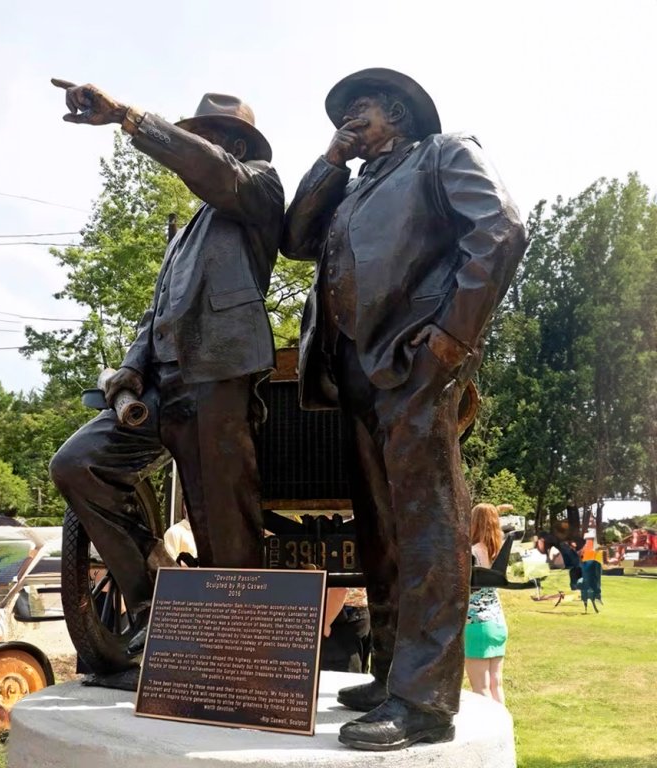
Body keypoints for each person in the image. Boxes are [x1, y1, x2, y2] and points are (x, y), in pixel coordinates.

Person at [282, 68, 526, 750]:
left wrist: (451, 338)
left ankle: (422, 702)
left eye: (360, 111)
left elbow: (501, 230)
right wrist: (331, 162)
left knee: (426, 529)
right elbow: (296, 238)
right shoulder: (353, 187)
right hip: (355, 371)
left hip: (417, 362)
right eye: (342, 116)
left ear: (397, 114)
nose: (348, 123)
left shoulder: (443, 154)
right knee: (381, 532)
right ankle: (391, 667)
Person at [49, 80, 284, 652]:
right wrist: (131, 367)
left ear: (235, 145)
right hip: (159, 387)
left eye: (203, 138)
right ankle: (156, 599)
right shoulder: (185, 234)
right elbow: (158, 314)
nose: (191, 146)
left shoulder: (258, 190)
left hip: (217, 377)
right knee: (78, 464)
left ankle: (240, 650)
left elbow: (211, 171)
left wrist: (129, 117)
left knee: (222, 524)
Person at [465, 503, 509, 705]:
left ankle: (489, 732)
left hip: (476, 624)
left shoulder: (472, 553)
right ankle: (504, 730)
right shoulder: (500, 552)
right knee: (496, 685)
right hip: (497, 621)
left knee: (480, 688)